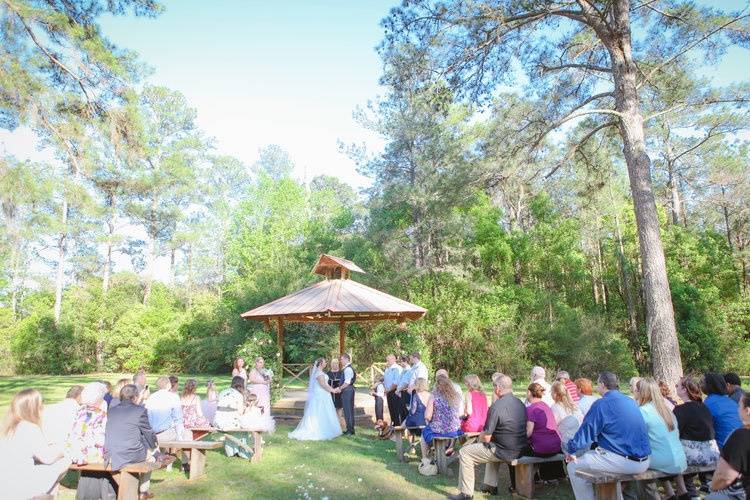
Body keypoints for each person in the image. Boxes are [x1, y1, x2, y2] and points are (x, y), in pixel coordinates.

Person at [565, 372, 651, 500]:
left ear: (602, 385)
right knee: (601, 459)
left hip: (624, 460)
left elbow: (586, 432)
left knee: (573, 466)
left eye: (597, 384)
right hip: (644, 460)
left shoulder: (602, 404)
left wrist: (571, 450)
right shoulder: (630, 401)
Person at [448, 373, 527, 499]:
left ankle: (466, 493)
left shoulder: (496, 407)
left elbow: (486, 435)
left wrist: (480, 442)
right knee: (490, 448)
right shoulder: (520, 404)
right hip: (520, 448)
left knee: (465, 452)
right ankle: (490, 486)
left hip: (503, 450)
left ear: (498, 388)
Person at [622, 378, 687, 500]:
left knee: (638, 466)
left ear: (641, 392)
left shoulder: (642, 411)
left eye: (636, 390)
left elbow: (632, 440)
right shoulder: (667, 410)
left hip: (661, 460)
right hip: (678, 458)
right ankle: (673, 495)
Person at [0, 389, 71, 500]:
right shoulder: (28, 427)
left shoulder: (6, 428)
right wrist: (63, 451)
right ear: (33, 408)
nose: (43, 407)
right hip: (20, 483)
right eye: (41, 404)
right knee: (64, 461)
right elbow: (48, 458)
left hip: (5, 482)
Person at [105, 384, 167, 500]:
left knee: (147, 446)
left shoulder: (111, 411)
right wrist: (154, 448)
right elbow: (148, 432)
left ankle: (156, 455)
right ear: (135, 397)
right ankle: (143, 491)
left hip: (111, 452)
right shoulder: (140, 410)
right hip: (129, 454)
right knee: (152, 458)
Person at [673, 376, 720, 499]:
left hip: (694, 456)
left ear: (684, 390)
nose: (675, 387)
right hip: (712, 452)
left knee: (676, 456)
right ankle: (706, 490)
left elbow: (674, 434)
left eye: (677, 385)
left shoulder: (680, 410)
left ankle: (692, 495)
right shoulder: (704, 407)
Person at [67, 382, 115, 500]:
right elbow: (103, 440)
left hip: (76, 454)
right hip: (94, 456)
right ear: (99, 399)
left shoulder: (79, 412)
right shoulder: (101, 416)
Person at [512, 382, 563, 490]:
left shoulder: (531, 409)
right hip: (556, 446)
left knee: (516, 451)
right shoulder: (546, 406)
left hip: (542, 449)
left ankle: (520, 483)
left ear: (529, 392)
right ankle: (537, 478)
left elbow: (529, 432)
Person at [705, 392, 750, 499]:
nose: (737, 409)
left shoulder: (741, 436)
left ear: (747, 410)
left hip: (742, 494)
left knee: (712, 497)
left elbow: (725, 476)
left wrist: (713, 487)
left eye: (739, 406)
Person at [289, 358, 343, 441]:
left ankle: (328, 427)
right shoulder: (318, 373)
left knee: (325, 411)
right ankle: (319, 429)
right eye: (325, 362)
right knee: (320, 411)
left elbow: (326, 385)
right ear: (321, 363)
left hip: (324, 394)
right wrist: (333, 390)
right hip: (320, 395)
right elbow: (323, 385)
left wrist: (333, 390)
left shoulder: (321, 372)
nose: (326, 363)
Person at [421, 375, 463, 459]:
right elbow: (461, 414)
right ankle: (448, 449)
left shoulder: (434, 396)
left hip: (438, 430)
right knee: (451, 428)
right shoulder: (457, 396)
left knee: (423, 434)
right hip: (454, 430)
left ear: (437, 385)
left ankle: (425, 458)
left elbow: (427, 416)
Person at [215, 376, 256, 457]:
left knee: (236, 424)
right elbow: (240, 412)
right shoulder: (239, 395)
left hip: (218, 421)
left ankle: (231, 450)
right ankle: (242, 451)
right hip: (228, 423)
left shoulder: (222, 392)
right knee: (244, 426)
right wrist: (247, 408)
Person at [703, 372, 742, 448]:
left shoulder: (709, 403)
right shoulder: (730, 401)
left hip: (724, 449)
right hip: (741, 444)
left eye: (702, 382)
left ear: (709, 385)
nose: (699, 384)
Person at [145, 376, 185, 443]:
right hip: (164, 433)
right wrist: (179, 436)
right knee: (188, 434)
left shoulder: (151, 397)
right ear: (169, 385)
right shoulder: (174, 397)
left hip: (151, 433)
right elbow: (178, 418)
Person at [550, 380, 583, 452]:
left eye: (551, 392)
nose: (550, 394)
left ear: (555, 394)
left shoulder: (555, 407)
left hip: (565, 443)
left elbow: (553, 428)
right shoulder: (574, 406)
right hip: (578, 441)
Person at [339, 353, 357, 436]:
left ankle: (350, 430)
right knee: (348, 410)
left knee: (348, 410)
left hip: (347, 391)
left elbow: (347, 382)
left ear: (346, 359)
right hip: (348, 390)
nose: (340, 361)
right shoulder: (347, 368)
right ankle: (350, 429)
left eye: (341, 359)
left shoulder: (348, 369)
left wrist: (340, 388)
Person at [383, 354, 403, 425]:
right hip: (388, 392)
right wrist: (385, 389)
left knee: (396, 410)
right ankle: (393, 424)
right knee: (391, 409)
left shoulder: (397, 368)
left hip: (395, 392)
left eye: (389, 359)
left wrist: (388, 390)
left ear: (394, 359)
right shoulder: (387, 369)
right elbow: (385, 380)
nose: (387, 361)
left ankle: (397, 426)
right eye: (387, 360)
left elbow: (396, 382)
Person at [326, 358, 344, 426]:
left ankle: (339, 421)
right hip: (330, 392)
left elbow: (344, 382)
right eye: (333, 363)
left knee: (339, 407)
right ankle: (332, 423)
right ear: (331, 365)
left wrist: (340, 388)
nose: (335, 365)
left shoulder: (341, 373)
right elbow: (325, 383)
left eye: (336, 363)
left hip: (339, 392)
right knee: (332, 407)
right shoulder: (328, 373)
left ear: (338, 365)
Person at [397, 355, 413, 423]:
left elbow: (406, 383)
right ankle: (402, 428)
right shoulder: (403, 370)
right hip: (401, 392)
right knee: (401, 411)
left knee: (406, 411)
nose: (400, 363)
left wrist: (398, 390)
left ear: (406, 361)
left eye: (401, 362)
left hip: (406, 393)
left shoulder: (409, 370)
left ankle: (407, 429)